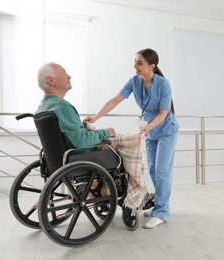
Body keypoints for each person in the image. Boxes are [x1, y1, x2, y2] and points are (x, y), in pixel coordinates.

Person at [83, 48, 179, 229]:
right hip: (150, 131)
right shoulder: (134, 82)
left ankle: (161, 212)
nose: (135, 66)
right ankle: (161, 205)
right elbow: (115, 100)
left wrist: (147, 128)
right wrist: (95, 117)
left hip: (165, 129)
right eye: (135, 62)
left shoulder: (163, 84)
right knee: (152, 169)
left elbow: (163, 114)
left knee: (162, 170)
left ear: (152, 66)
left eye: (139, 63)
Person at [36, 62, 116, 149]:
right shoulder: (63, 107)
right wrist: (107, 131)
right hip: (82, 157)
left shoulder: (42, 107)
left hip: (61, 159)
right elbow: (82, 141)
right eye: (64, 74)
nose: (69, 76)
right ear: (51, 80)